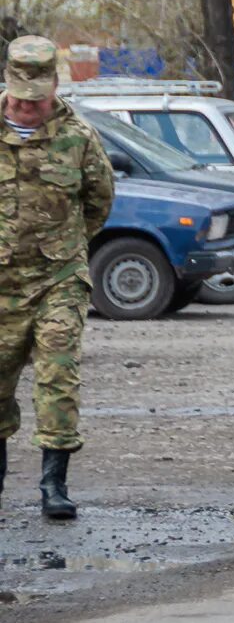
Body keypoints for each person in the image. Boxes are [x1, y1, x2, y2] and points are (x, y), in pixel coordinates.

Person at [0, 36, 115, 520]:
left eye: (38, 100)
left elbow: (98, 202)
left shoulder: (78, 137)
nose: (30, 109)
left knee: (57, 376)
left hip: (58, 279)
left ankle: (53, 486)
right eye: (22, 100)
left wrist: (63, 249)